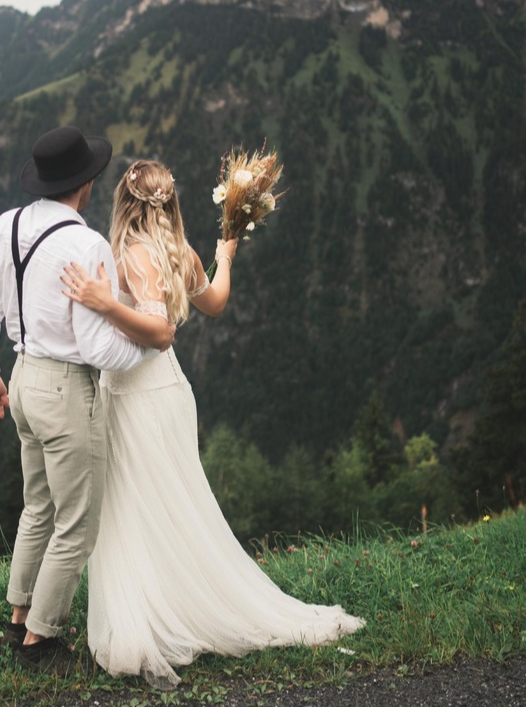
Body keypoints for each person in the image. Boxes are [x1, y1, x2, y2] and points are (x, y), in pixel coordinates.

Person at [61, 160, 365, 689]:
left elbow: (158, 331)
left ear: (125, 204)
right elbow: (216, 303)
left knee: (133, 508)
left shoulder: (129, 254)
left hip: (134, 397)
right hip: (170, 394)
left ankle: (151, 622)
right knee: (174, 504)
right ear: (170, 202)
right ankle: (177, 605)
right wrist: (225, 256)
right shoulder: (181, 252)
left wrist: (105, 303)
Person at [0, 128, 173, 678]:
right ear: (86, 183)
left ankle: (19, 618)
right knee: (77, 523)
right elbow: (99, 348)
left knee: (38, 507)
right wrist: (149, 344)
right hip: (64, 389)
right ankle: (41, 641)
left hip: (21, 379)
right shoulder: (86, 245)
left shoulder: (4, 227)